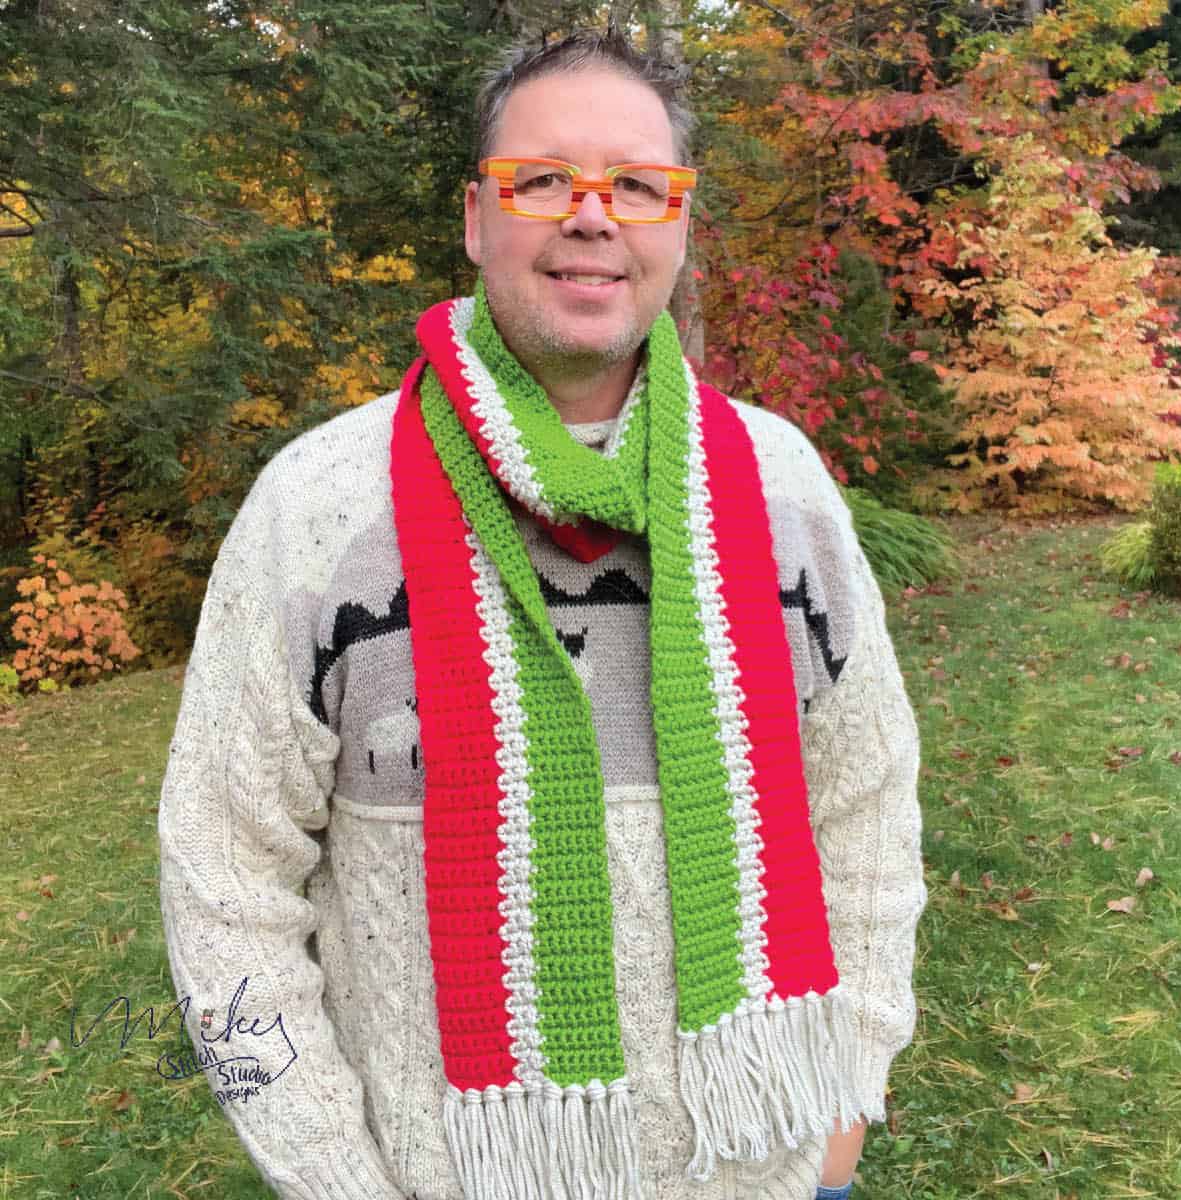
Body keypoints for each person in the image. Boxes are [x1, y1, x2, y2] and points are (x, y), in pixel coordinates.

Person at [158, 28, 927, 1200]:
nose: (591, 215)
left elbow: (867, 805)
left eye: (635, 183)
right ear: (477, 219)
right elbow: (221, 890)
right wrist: (338, 1182)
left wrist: (844, 1097)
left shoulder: (784, 493)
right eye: (542, 180)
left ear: (677, 221)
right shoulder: (317, 510)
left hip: (762, 1166)